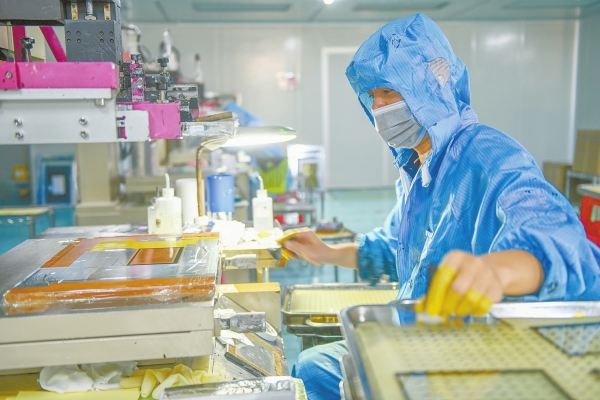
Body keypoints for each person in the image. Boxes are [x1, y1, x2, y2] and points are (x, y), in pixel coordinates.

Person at [284, 13, 600, 399]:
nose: (378, 107)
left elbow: (556, 238)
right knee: (312, 368)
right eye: (372, 95)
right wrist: (327, 253)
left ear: (430, 84)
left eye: (389, 91)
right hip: (418, 333)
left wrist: (494, 272)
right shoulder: (417, 167)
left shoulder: (488, 154)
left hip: (472, 352)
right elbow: (396, 248)